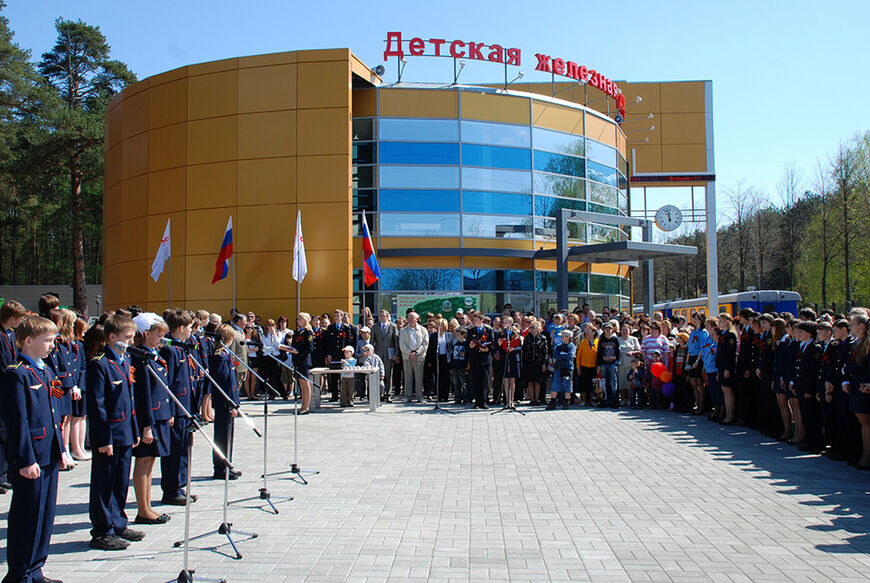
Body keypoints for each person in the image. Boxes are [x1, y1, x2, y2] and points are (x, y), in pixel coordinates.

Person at [1, 315, 72, 581]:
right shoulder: (16, 373)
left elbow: (55, 413)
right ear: (28, 341)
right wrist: (25, 459)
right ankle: (19, 574)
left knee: (44, 517)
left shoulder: (45, 370)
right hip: (31, 458)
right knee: (26, 518)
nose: (53, 345)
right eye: (48, 340)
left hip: (49, 453)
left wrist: (62, 449)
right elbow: (17, 422)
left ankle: (36, 568)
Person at [87, 314, 144, 551]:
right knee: (105, 482)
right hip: (109, 434)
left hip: (124, 431)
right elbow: (97, 405)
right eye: (127, 337)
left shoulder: (123, 360)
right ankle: (102, 530)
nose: (131, 342)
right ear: (112, 337)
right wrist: (102, 438)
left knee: (120, 481)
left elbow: (128, 400)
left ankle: (118, 523)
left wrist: (134, 429)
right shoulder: (100, 364)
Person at [129, 313, 173, 525]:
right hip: (150, 419)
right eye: (158, 335)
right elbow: (144, 395)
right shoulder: (140, 358)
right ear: (145, 334)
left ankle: (147, 506)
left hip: (159, 416)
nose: (161, 339)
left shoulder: (153, 354)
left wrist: (168, 413)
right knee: (143, 461)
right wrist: (147, 426)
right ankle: (142, 509)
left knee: (151, 461)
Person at [159, 310, 196, 506]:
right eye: (190, 327)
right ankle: (171, 489)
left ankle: (180, 485)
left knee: (183, 448)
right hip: (176, 407)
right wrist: (171, 411)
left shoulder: (181, 348)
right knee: (174, 450)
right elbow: (169, 383)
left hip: (186, 407)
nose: (192, 330)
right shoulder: (170, 350)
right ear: (181, 328)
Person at [210, 324, 243, 479]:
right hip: (224, 403)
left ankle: (227, 464)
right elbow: (225, 384)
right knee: (223, 437)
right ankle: (221, 468)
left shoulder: (225, 354)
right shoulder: (220, 356)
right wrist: (231, 404)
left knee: (227, 436)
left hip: (228, 402)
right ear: (229, 339)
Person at [288, 313, 315, 414]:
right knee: (301, 383)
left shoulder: (308, 333)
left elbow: (310, 348)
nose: (298, 320)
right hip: (297, 361)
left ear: (305, 320)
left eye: (300, 319)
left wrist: (298, 352)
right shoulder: (297, 333)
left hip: (304, 360)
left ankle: (306, 406)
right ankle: (303, 404)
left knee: (305, 382)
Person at [398, 312, 428, 403]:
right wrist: (410, 353)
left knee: (419, 377)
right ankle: (407, 396)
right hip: (407, 357)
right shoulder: (403, 331)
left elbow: (425, 344)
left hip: (419, 357)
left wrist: (417, 353)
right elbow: (401, 344)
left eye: (412, 318)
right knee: (407, 377)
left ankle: (419, 396)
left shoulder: (423, 330)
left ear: (417, 318)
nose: (410, 319)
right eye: (409, 318)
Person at [466, 311, 492, 409]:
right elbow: (468, 343)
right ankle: (477, 402)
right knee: (476, 380)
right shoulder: (471, 330)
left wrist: (487, 349)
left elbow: (491, 342)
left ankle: (484, 401)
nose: (474, 321)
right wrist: (471, 345)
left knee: (484, 380)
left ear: (481, 320)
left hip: (484, 358)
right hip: (475, 358)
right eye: (474, 320)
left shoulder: (488, 330)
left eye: (476, 320)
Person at [371, 310, 399, 403]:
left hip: (389, 354)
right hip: (378, 353)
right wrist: (371, 354)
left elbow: (396, 342)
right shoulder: (375, 327)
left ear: (387, 316)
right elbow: (372, 341)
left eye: (383, 316)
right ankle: (379, 394)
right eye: (380, 316)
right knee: (378, 375)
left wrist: (396, 354)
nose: (382, 317)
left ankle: (388, 394)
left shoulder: (393, 326)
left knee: (388, 375)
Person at [521, 321, 549, 406]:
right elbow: (524, 351)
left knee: (537, 381)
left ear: (538, 328)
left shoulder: (542, 338)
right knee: (530, 381)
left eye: (533, 327)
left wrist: (544, 363)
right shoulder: (527, 338)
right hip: (529, 362)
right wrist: (524, 363)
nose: (531, 329)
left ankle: (537, 399)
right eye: (530, 327)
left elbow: (545, 352)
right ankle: (532, 399)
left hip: (538, 362)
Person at [547, 330, 576, 410]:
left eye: (563, 336)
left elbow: (570, 356)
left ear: (568, 337)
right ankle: (552, 402)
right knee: (555, 385)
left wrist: (561, 354)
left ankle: (566, 402)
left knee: (567, 386)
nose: (561, 338)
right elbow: (555, 355)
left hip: (567, 368)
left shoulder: (571, 346)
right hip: (558, 368)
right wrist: (563, 355)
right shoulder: (559, 346)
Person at [498, 319, 522, 409]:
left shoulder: (515, 334)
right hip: (505, 358)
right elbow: (497, 347)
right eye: (503, 322)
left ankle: (512, 401)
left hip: (513, 358)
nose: (504, 324)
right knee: (506, 380)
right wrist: (500, 345)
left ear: (511, 323)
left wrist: (514, 349)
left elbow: (520, 347)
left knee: (512, 380)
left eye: (506, 322)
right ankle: (507, 401)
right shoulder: (501, 334)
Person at [596, 321, 620, 408]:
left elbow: (618, 352)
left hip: (612, 363)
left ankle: (613, 401)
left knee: (613, 383)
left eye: (609, 329)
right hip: (603, 364)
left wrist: (615, 359)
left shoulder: (615, 339)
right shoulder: (601, 340)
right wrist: (598, 364)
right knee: (604, 383)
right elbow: (599, 353)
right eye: (606, 329)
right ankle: (604, 401)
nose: (608, 331)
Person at [575, 323, 598, 406]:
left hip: (594, 366)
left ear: (594, 332)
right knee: (584, 384)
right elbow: (578, 357)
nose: (587, 333)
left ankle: (591, 400)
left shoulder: (598, 342)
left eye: (589, 331)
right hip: (584, 366)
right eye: (587, 332)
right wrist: (578, 368)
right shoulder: (583, 343)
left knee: (592, 385)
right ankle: (583, 400)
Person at [450, 328, 469, 404]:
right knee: (456, 383)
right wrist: (451, 367)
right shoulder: (455, 344)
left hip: (463, 367)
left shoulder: (466, 344)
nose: (457, 336)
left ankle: (466, 398)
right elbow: (452, 356)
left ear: (463, 335)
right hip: (455, 366)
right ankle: (457, 398)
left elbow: (468, 357)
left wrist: (467, 368)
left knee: (464, 383)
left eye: (458, 334)